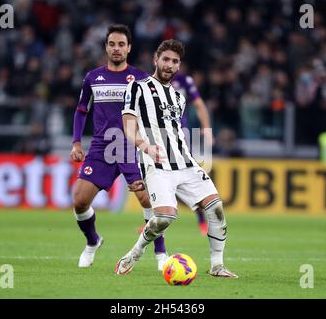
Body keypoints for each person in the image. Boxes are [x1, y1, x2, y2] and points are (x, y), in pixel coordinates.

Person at [115, 39, 237, 278]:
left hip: (185, 163)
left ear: (179, 66)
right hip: (157, 164)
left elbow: (176, 133)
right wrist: (145, 146)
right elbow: (128, 126)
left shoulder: (179, 98)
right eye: (166, 59)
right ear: (155, 60)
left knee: (216, 208)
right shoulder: (137, 88)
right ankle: (134, 253)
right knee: (165, 217)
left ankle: (217, 266)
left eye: (175, 61)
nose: (170, 65)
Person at [70, 25, 168, 270]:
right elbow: (82, 110)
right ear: (106, 47)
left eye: (121, 44)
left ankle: (160, 253)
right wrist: (75, 142)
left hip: (131, 147)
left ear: (129, 48)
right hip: (101, 148)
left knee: (147, 198)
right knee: (80, 201)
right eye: (112, 44)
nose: (116, 49)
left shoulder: (142, 80)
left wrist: (153, 146)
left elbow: (153, 115)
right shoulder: (93, 78)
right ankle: (93, 241)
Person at [171, 70, 212, 235]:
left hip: (180, 133)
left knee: (189, 176)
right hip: (156, 134)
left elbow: (199, 104)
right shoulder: (150, 81)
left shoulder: (184, 80)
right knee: (154, 176)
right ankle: (151, 221)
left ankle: (202, 220)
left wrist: (207, 127)